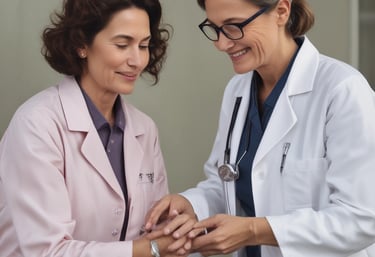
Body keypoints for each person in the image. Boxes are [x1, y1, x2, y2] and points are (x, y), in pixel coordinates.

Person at [145, 0, 375, 256]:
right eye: (215, 28)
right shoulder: (237, 90)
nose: (221, 43)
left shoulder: (341, 91)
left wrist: (255, 230)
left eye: (234, 27)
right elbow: (226, 185)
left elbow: (363, 218)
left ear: (281, 11)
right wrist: (191, 204)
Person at [0, 0, 188, 256]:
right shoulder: (37, 124)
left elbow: (154, 230)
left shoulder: (144, 129)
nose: (137, 60)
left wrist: (175, 229)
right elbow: (47, 251)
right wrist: (150, 249)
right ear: (82, 45)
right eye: (122, 45)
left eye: (143, 45)